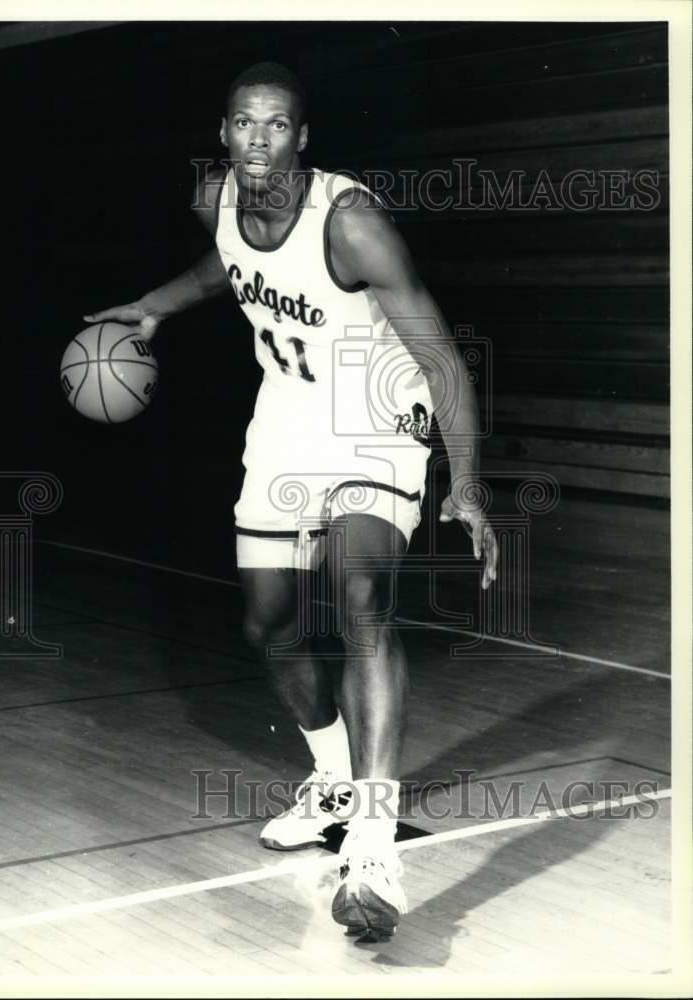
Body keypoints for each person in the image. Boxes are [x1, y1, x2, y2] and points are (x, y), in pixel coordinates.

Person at [84, 61, 498, 940]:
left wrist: (465, 484)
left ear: (303, 138)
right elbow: (224, 268)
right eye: (244, 124)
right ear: (225, 132)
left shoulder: (352, 227)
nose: (259, 140)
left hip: (375, 416)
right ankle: (332, 780)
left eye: (278, 126)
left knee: (361, 602)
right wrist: (154, 306)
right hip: (285, 424)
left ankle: (376, 839)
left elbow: (444, 360)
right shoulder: (217, 197)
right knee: (269, 625)